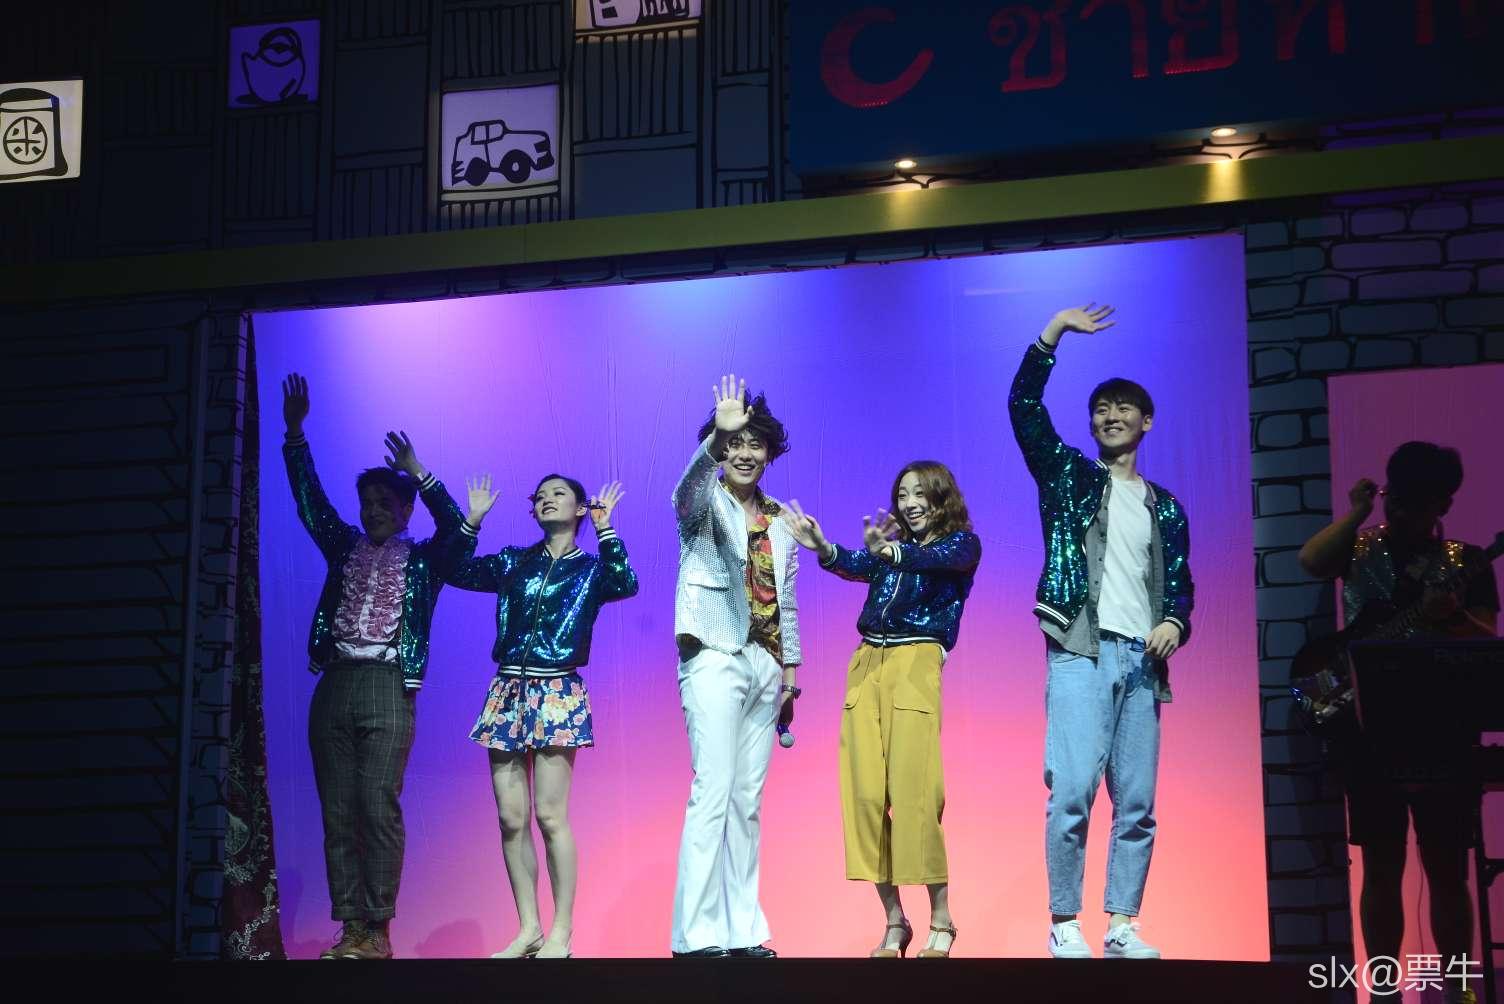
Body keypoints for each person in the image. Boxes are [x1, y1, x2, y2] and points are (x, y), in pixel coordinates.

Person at [1007, 306, 1194, 960]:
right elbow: (1024, 407)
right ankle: (1064, 921)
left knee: (1137, 801)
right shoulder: (1068, 476)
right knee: (1073, 791)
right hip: (1080, 650)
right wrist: (1052, 333)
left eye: (1123, 408)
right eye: (1101, 409)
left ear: (1146, 421)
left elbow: (1180, 583)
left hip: (1142, 663)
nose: (1111, 416)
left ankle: (1122, 924)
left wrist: (1174, 621)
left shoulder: (1165, 507)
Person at [1299, 441, 1498, 1004]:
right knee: (1381, 866)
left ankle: (1459, 992)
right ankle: (1384, 993)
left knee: (1448, 868)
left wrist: (1451, 616)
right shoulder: (1360, 547)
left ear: (1444, 504)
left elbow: (1488, 638)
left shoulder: (1467, 560)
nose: (1402, 512)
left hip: (1445, 732)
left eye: (1418, 503)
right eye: (1397, 499)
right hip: (1371, 734)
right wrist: (1357, 512)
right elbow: (1311, 562)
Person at [281, 372, 468, 961]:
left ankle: (379, 928)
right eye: (367, 503)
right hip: (336, 682)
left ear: (406, 509)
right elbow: (310, 502)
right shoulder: (344, 546)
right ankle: (351, 928)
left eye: (386, 503)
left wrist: (419, 473)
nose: (374, 511)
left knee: (376, 803)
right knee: (337, 810)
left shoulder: (424, 560)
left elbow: (455, 529)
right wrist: (295, 434)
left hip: (388, 684)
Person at [781, 462, 980, 959]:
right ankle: (895, 919)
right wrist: (823, 547)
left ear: (940, 498)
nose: (909, 503)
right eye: (903, 494)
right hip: (867, 662)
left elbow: (932, 558)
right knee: (865, 796)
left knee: (917, 793)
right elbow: (856, 563)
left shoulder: (961, 546)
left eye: (919, 493)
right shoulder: (892, 550)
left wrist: (890, 551)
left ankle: (942, 918)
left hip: (916, 663)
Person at [447, 472, 638, 960]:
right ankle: (528, 927)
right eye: (540, 496)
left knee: (551, 816)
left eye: (559, 494)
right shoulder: (514, 560)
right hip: (508, 689)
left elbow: (625, 582)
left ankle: (561, 931)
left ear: (580, 508)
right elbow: (455, 569)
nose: (547, 500)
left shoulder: (590, 569)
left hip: (557, 690)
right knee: (510, 818)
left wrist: (606, 530)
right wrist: (471, 521)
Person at [670, 374, 801, 959]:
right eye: (735, 443)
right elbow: (683, 493)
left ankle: (743, 931)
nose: (745, 453)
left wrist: (790, 671)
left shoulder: (781, 519)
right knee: (713, 791)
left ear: (770, 452)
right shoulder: (704, 502)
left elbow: (787, 599)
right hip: (714, 654)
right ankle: (696, 936)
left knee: (747, 804)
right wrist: (711, 442)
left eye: (755, 443)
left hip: (765, 664)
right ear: (721, 449)